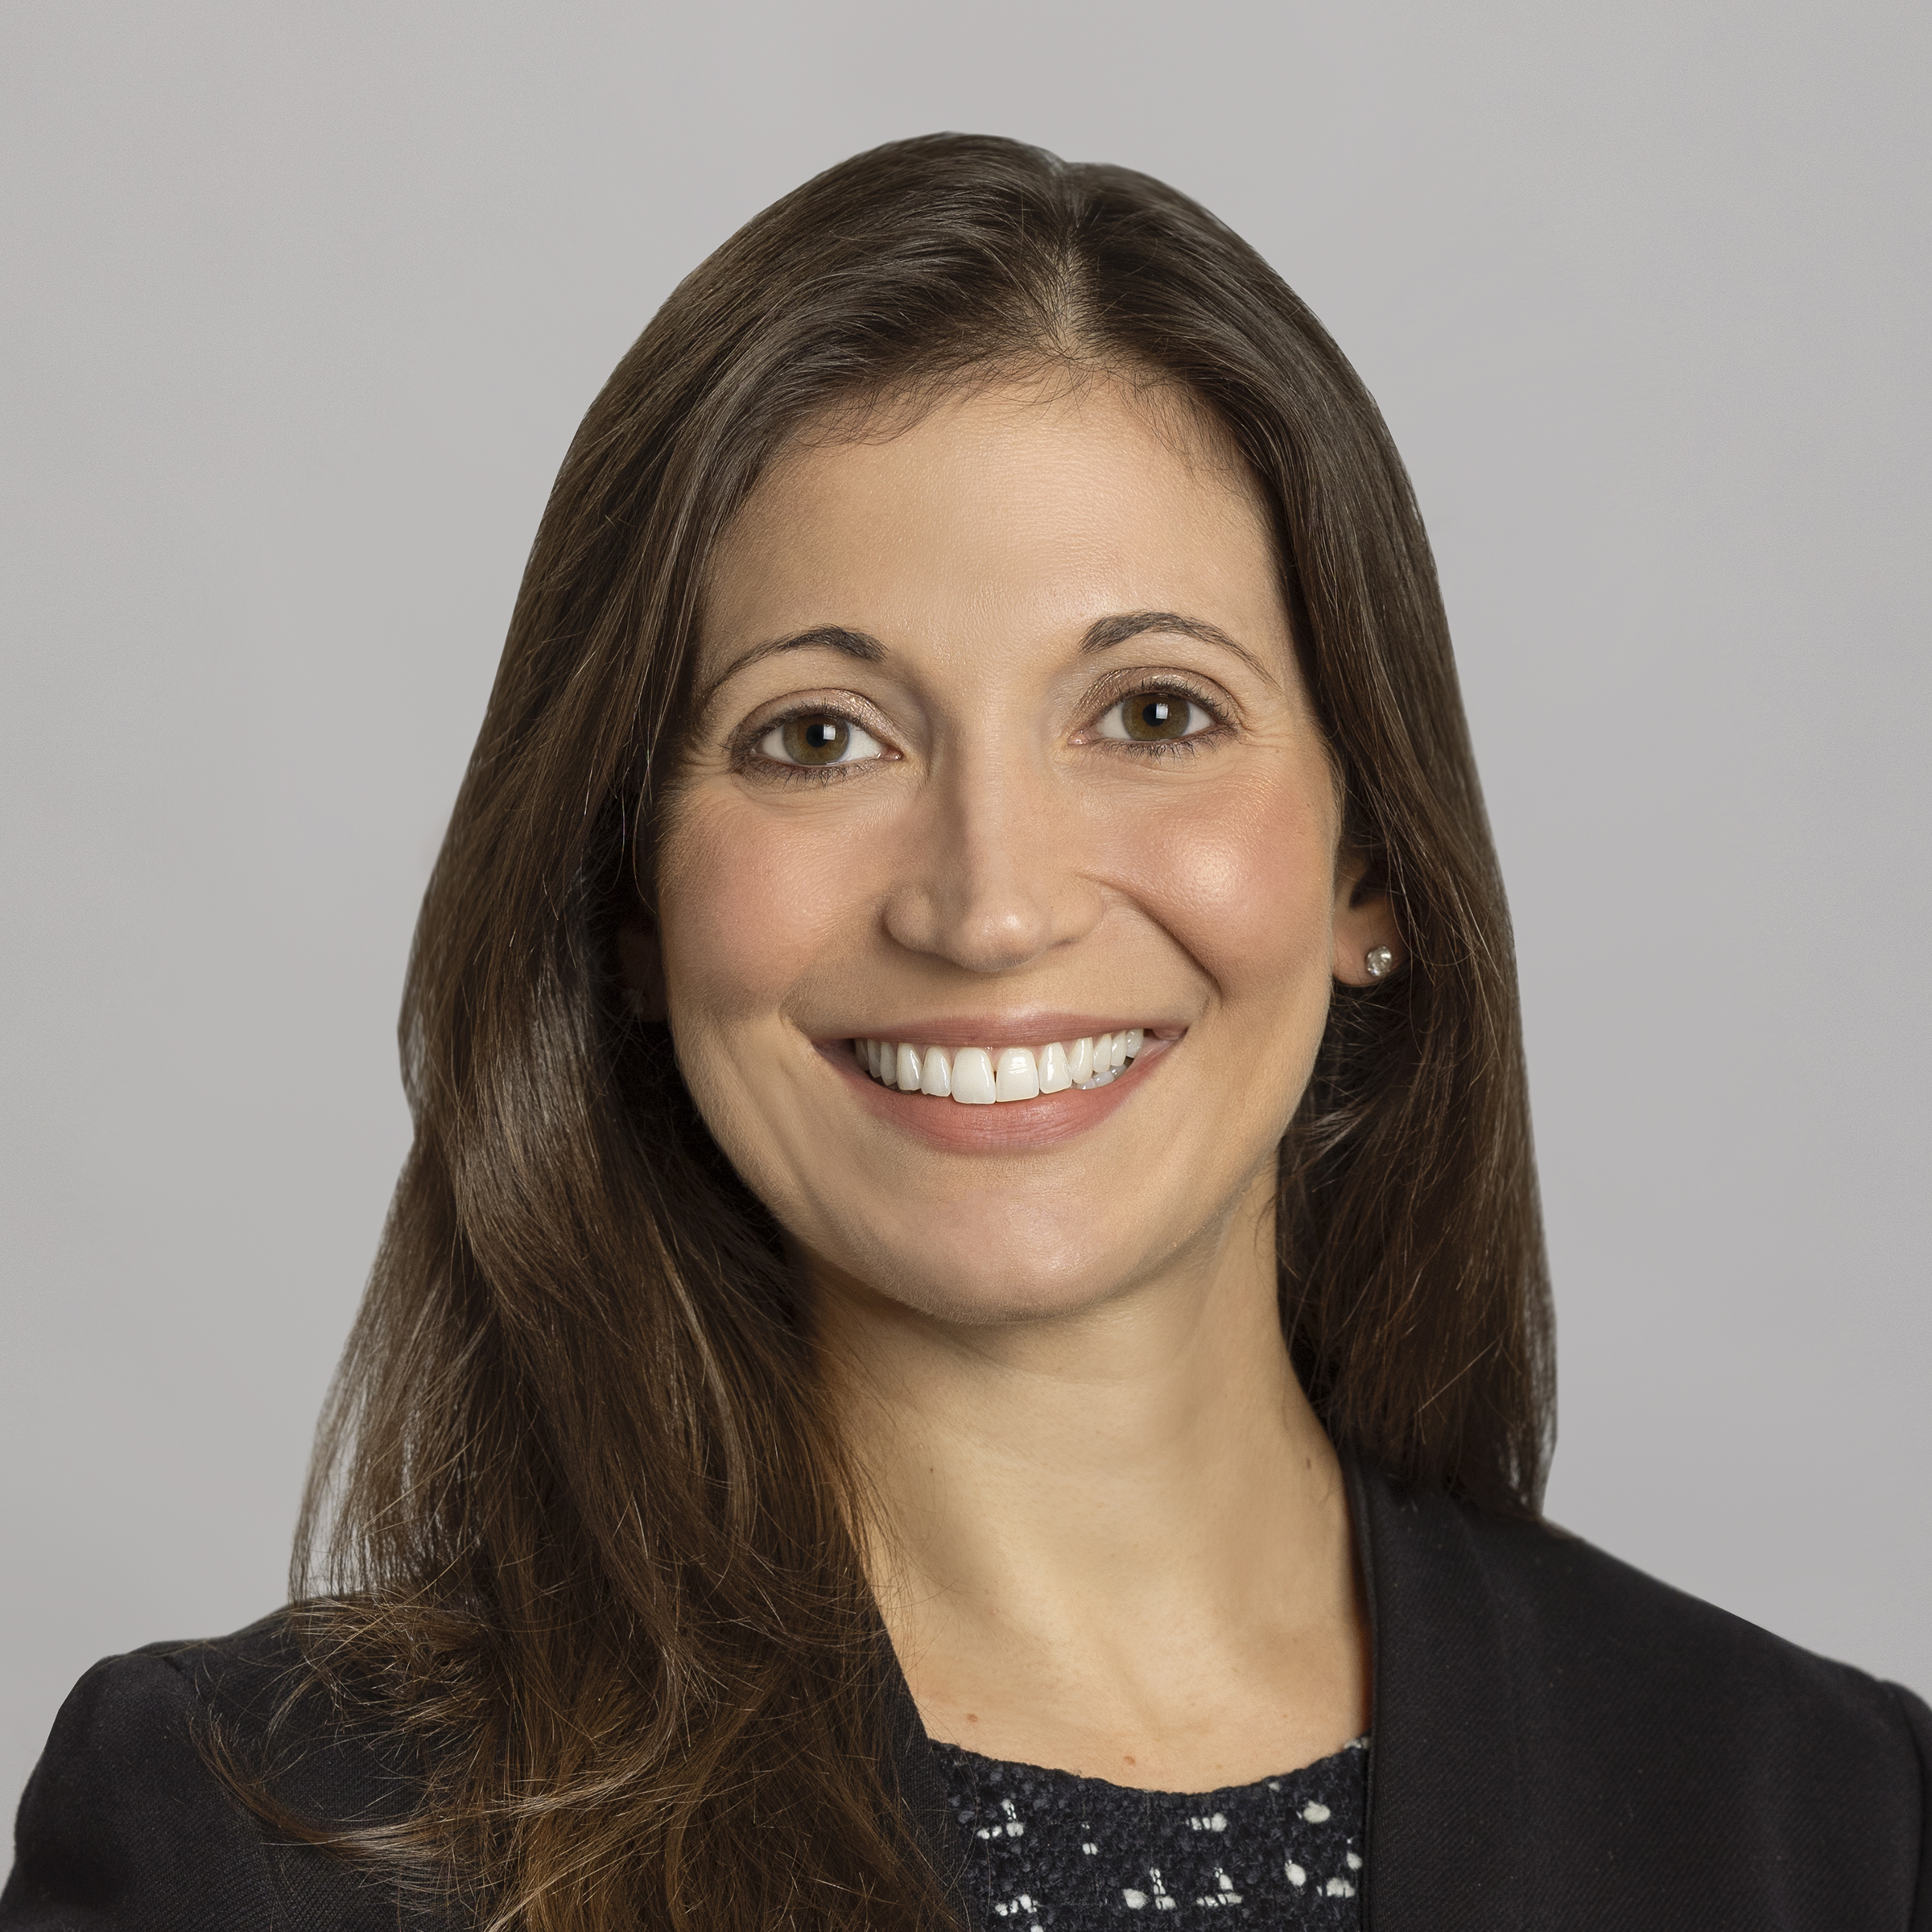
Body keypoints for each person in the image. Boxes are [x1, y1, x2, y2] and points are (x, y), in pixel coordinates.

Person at [4, 132, 1926, 1932]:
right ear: (631, 915)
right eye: (820, 737)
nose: (989, 904)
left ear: (1373, 870)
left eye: (1156, 714)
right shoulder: (271, 1841)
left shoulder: (1836, 1823)